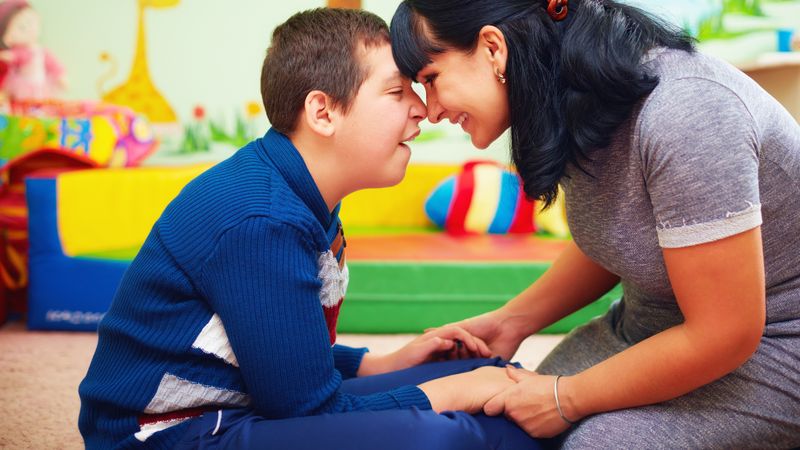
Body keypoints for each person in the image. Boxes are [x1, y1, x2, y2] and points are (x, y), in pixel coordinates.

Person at [79, 8, 542, 450]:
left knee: (496, 378)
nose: (422, 110)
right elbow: (309, 409)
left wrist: (381, 363)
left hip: (242, 406)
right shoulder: (262, 220)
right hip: (170, 433)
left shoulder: (302, 197)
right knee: (449, 432)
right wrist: (459, 395)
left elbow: (280, 352)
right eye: (396, 92)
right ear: (323, 113)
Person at [390, 0, 800, 447]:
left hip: (774, 347)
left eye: (431, 79)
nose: (430, 112)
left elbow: (727, 332)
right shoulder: (570, 96)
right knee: (510, 420)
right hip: (653, 328)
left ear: (493, 48)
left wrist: (565, 398)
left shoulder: (686, 109)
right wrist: (513, 321)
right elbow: (623, 235)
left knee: (596, 441)